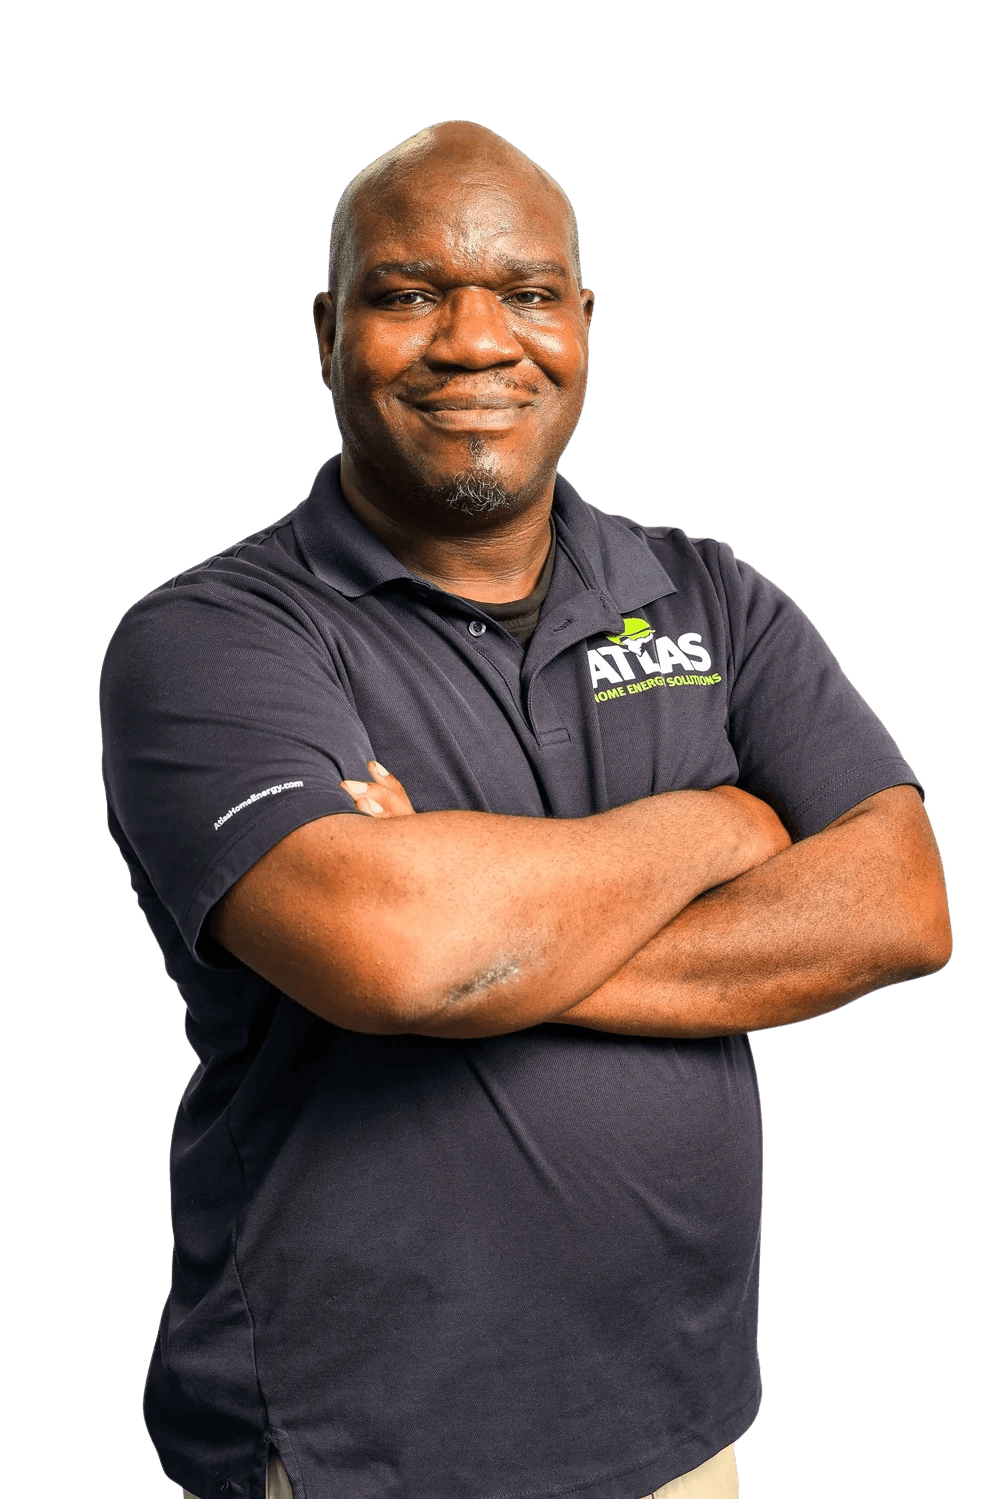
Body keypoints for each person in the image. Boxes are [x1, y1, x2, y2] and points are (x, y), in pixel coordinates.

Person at [101, 121, 951, 1499]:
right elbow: (394, 954)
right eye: (410, 291)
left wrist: (487, 941)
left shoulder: (708, 593)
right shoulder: (214, 635)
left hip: (680, 1434)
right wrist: (724, 825)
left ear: (585, 324)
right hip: (345, 1450)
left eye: (529, 291)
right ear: (328, 330)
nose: (476, 339)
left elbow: (904, 905)